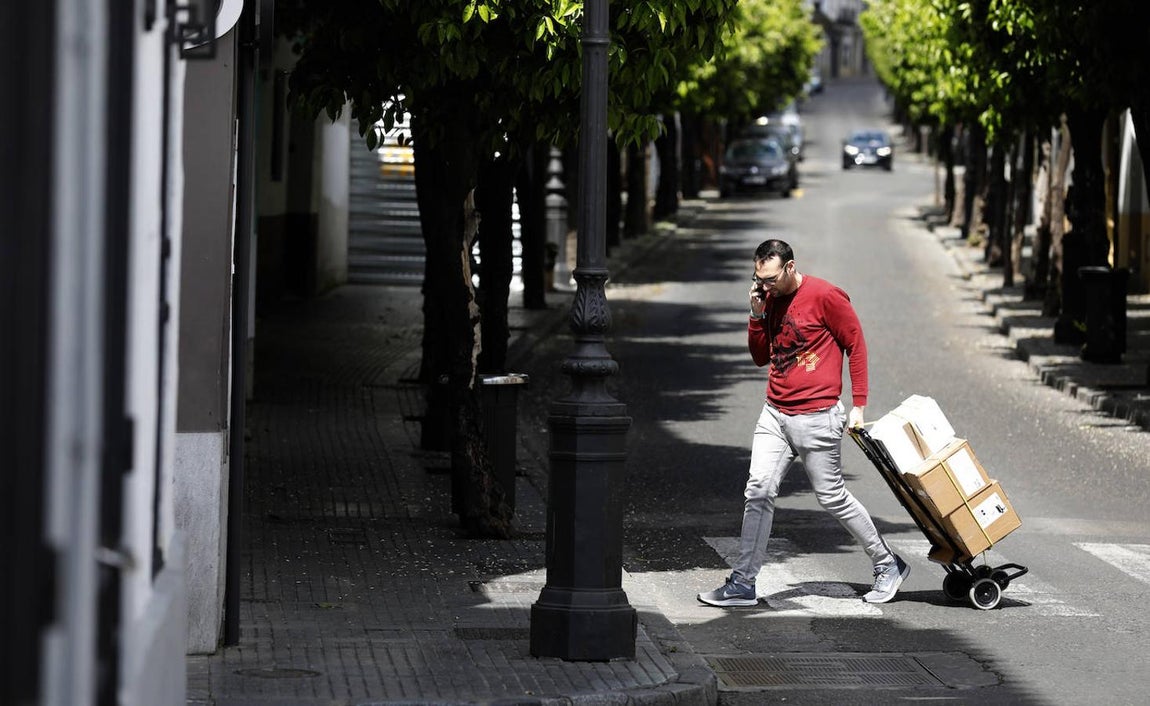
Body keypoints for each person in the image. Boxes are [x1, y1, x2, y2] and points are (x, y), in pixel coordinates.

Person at [697, 239, 909, 607]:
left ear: (791, 267)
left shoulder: (826, 296)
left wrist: (859, 404)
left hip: (817, 416)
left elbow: (855, 345)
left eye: (771, 278)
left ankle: (887, 563)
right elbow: (760, 357)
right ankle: (743, 584)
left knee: (832, 497)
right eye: (758, 278)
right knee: (758, 490)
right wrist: (756, 314)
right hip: (774, 414)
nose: (765, 285)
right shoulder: (768, 299)